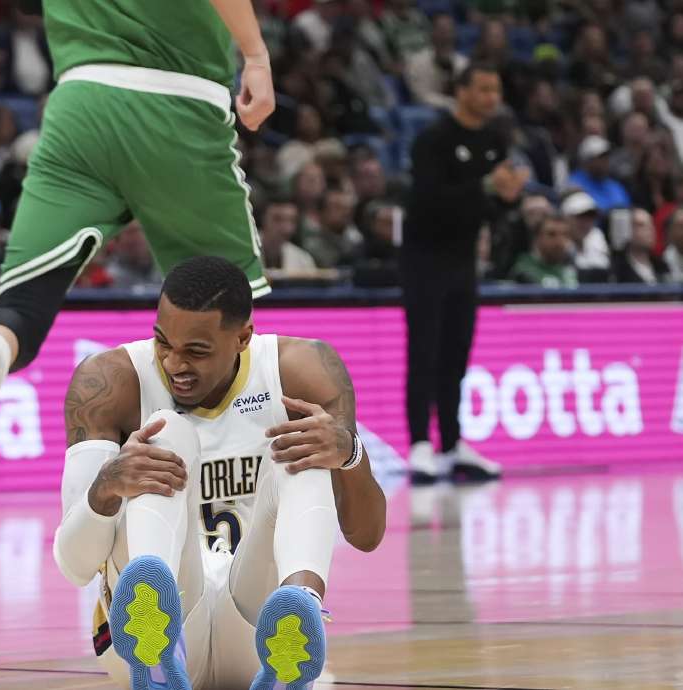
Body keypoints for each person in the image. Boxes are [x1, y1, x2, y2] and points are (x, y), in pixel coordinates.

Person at [0, 0, 278, 502]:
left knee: (22, 305)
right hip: (176, 102)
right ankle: (233, 489)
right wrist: (255, 55)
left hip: (78, 105)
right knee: (226, 314)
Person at [52, 256, 386, 690]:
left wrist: (349, 454)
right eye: (163, 343)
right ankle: (156, 625)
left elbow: (367, 534)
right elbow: (75, 566)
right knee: (165, 432)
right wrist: (106, 488)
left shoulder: (300, 370)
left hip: (251, 628)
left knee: (305, 447)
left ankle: (300, 608)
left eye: (196, 351)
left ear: (243, 337)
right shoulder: (111, 381)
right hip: (134, 640)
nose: (173, 363)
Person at [400, 62, 526, 483]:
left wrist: (508, 198)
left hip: (463, 260)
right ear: (462, 90)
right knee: (424, 352)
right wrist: (488, 189)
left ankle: (453, 445)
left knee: (457, 355)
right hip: (425, 258)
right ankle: (420, 443)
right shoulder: (434, 139)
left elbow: (492, 206)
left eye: (497, 89)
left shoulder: (494, 140)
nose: (493, 97)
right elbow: (430, 200)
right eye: (485, 88)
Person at [508, 215, 579, 288]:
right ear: (537, 238)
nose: (559, 241)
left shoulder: (571, 268)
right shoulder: (523, 268)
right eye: (551, 234)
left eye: (565, 235)